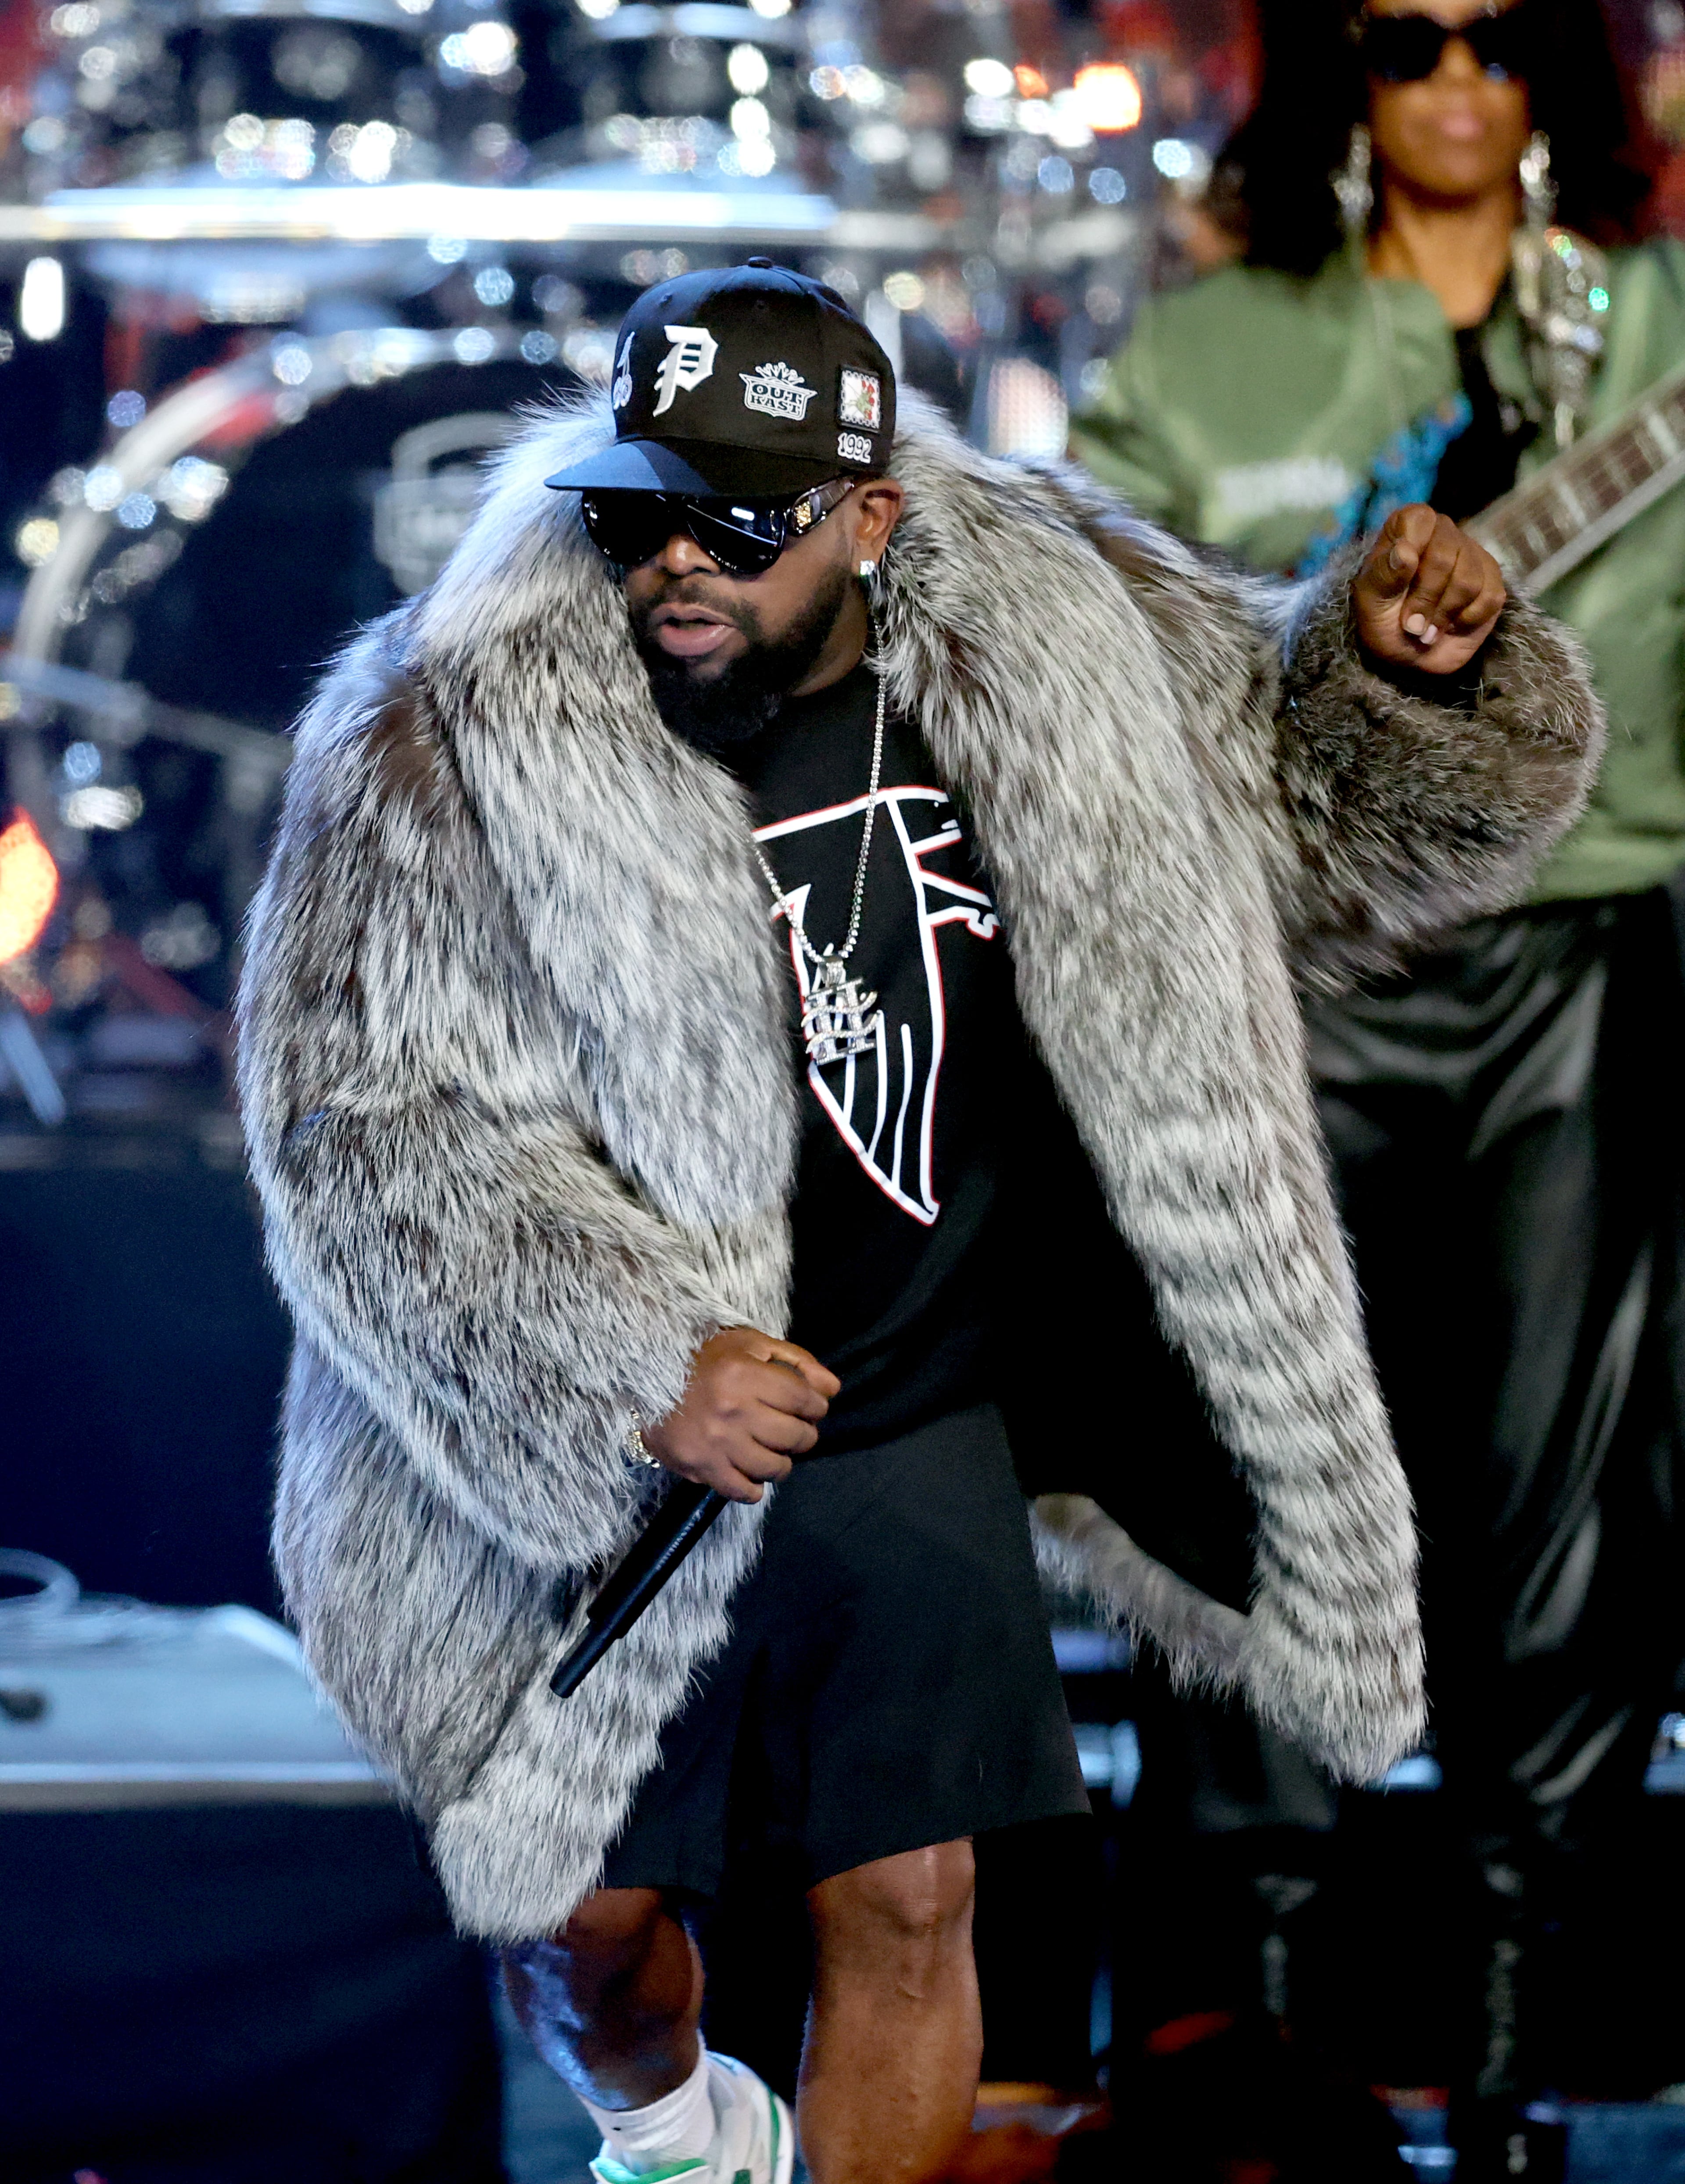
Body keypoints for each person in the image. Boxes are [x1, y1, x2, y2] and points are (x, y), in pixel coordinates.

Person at [238, 261, 1599, 2184]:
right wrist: (638, 1360)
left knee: (904, 1909)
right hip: (610, 1447)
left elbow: (1321, 819)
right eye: (644, 507)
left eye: (746, 518)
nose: (678, 562)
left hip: (907, 1398)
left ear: (874, 516)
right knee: (601, 1944)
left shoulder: (1052, 629)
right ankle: (672, 2128)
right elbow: (353, 1129)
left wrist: (1403, 675)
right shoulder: (442, 730)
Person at [1072, 0, 1685, 2169]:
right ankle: (1235, 2067)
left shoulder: (1661, 332)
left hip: (1581, 968)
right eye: (1405, 33)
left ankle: (1527, 2080)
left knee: (1561, 1534)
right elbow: (1084, 636)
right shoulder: (1213, 345)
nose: (1454, 73)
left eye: (1505, 35)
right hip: (1301, 967)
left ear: (1565, 82)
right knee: (1259, 1491)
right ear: (1341, 75)